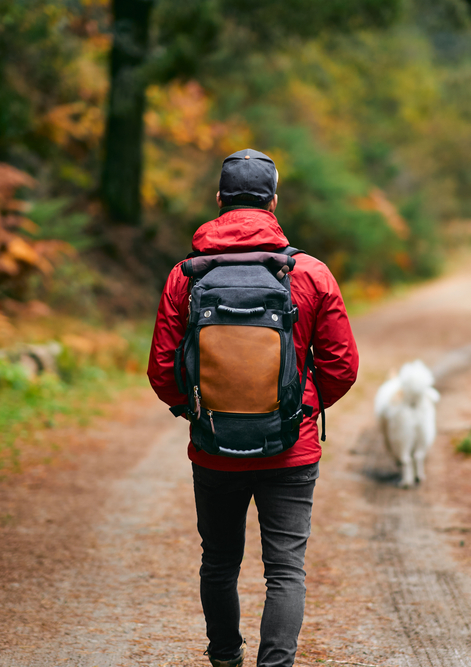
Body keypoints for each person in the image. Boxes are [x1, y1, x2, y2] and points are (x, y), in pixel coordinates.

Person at [147, 149, 359, 667]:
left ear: (219, 201)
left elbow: (161, 368)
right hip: (291, 449)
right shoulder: (309, 273)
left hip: (214, 448)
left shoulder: (187, 276)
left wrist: (197, 411)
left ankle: (225, 657)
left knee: (219, 561)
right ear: (273, 201)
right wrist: (301, 410)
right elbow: (342, 365)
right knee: (285, 569)